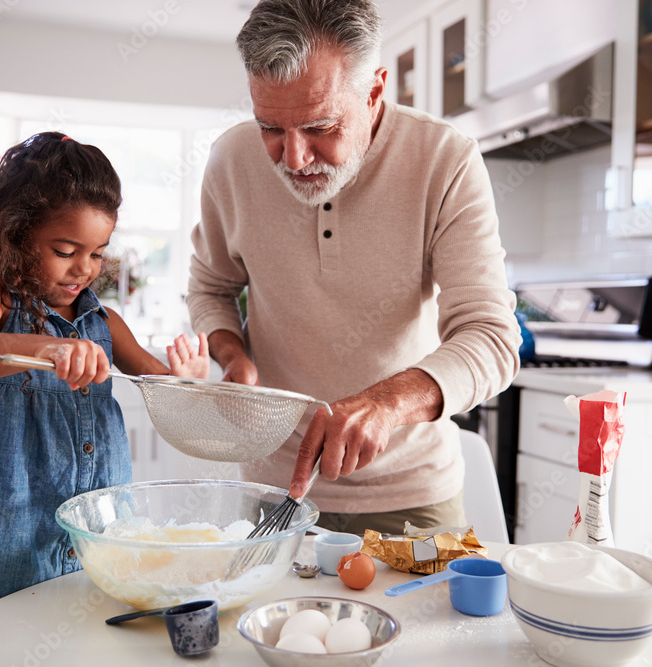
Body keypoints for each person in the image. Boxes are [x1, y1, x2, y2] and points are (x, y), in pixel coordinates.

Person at [186, 0, 520, 535]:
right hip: (276, 487)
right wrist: (233, 357)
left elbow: (492, 337)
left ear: (374, 92)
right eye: (270, 127)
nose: (293, 158)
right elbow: (209, 289)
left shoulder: (445, 160)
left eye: (320, 126)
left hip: (410, 492)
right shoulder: (231, 161)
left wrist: (386, 403)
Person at [0, 132, 210, 626]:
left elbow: (164, 391)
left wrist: (186, 381)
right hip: (0, 538)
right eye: (64, 250)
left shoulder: (105, 322)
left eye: (97, 253)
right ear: (17, 235)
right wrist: (45, 348)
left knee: (83, 637)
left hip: (97, 536)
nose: (84, 268)